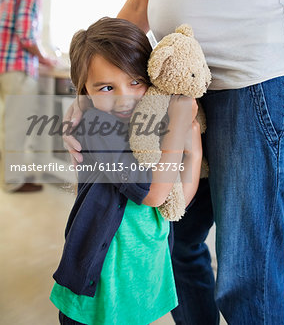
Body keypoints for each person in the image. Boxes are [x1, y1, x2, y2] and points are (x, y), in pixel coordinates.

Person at [65, 0, 284, 323]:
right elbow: (139, 3)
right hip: (178, 96)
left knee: (244, 269)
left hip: (255, 81)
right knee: (175, 240)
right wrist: (83, 92)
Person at [51, 17, 202, 325]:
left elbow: (175, 203)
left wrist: (194, 150)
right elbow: (154, 194)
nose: (125, 97)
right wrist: (178, 128)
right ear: (85, 93)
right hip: (103, 279)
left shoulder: (153, 125)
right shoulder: (98, 126)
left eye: (136, 81)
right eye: (106, 87)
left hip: (142, 273)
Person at [0, 0, 64, 193]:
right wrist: (45, 58)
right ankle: (13, 181)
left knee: (8, 125)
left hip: (5, 68)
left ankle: (10, 173)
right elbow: (27, 36)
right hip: (18, 68)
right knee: (17, 127)